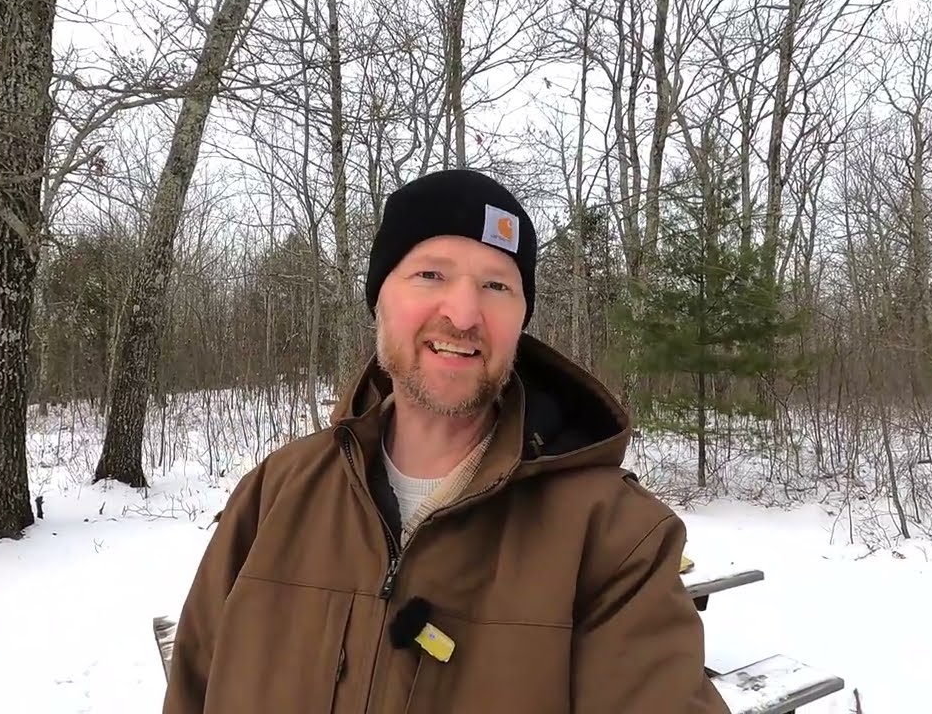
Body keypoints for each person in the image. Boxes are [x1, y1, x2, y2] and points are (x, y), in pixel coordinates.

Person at [162, 169, 730, 713]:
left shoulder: (614, 539)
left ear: (521, 317)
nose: (463, 313)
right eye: (430, 275)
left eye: (496, 286)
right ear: (379, 299)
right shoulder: (275, 495)